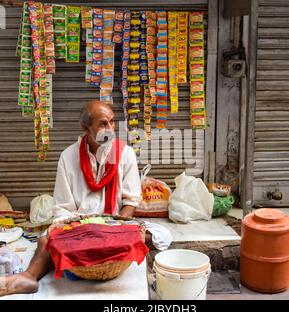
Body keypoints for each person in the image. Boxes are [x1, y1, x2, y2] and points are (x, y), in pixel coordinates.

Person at [0, 100, 172, 296]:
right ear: (85, 128)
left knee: (160, 235)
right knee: (46, 240)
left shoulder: (126, 154)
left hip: (114, 228)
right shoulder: (68, 156)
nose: (110, 129)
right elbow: (63, 209)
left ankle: (83, 258)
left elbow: (130, 202)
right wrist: (83, 230)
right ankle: (28, 277)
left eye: (112, 122)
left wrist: (116, 229)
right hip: (78, 228)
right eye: (102, 124)